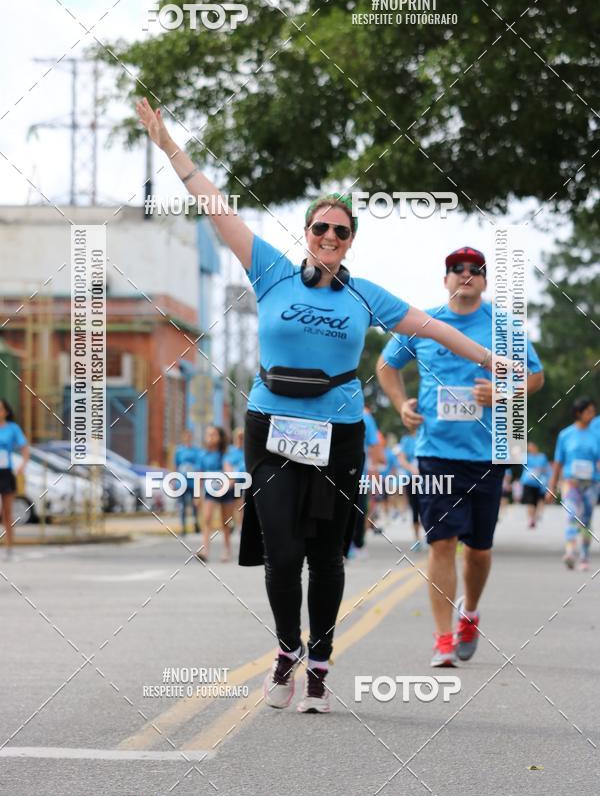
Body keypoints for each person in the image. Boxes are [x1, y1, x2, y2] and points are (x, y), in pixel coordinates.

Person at [136, 98, 510, 714]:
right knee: (282, 551)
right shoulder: (271, 272)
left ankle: (320, 664)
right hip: (271, 425)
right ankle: (287, 648)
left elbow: (435, 329)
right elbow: (215, 206)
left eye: (341, 231)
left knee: (326, 555)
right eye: (320, 229)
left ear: (350, 241)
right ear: (306, 234)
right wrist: (169, 146)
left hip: (338, 432)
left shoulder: (366, 296)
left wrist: (494, 360)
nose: (330, 237)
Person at [377, 246, 544, 667]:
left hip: (488, 453)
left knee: (478, 550)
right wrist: (400, 404)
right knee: (442, 542)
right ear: (445, 278)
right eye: (457, 268)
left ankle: (469, 612)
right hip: (435, 452)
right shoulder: (425, 323)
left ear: (485, 280)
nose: (465, 274)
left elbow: (536, 377)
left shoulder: (504, 326)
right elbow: (385, 365)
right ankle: (443, 638)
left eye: (475, 269)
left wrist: (504, 392)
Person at [547, 397, 600, 571]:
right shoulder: (565, 435)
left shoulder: (596, 435)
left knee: (586, 520)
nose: (592, 415)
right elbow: (558, 462)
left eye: (593, 412)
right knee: (571, 515)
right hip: (571, 482)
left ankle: (584, 556)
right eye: (589, 411)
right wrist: (552, 486)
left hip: (592, 483)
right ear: (579, 413)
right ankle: (570, 552)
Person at [349, 406, 384, 558]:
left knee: (360, 510)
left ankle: (358, 544)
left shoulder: (365, 416)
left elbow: (374, 445)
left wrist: (374, 470)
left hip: (360, 473)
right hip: (333, 471)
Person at [0, 399, 29, 560]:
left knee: (7, 512)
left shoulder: (13, 428)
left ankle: (9, 547)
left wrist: (22, 465)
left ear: (6, 412)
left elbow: (25, 448)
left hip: (6, 473)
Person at [199, 426, 233, 563]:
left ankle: (227, 550)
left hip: (225, 490)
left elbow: (229, 473)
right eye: (208, 434)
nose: (210, 437)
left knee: (225, 522)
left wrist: (227, 486)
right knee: (207, 519)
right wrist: (197, 496)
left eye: (213, 434)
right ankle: (205, 551)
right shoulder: (203, 455)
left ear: (219, 438)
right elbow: (199, 475)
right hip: (210, 491)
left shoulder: (223, 455)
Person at [396, 431, 423, 549]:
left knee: (428, 508)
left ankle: (430, 536)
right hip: (412, 479)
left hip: (428, 479)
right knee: (415, 508)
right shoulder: (407, 440)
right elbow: (402, 459)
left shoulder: (428, 436)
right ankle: (417, 539)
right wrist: (412, 469)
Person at [173, 429, 202, 536]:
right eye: (186, 436)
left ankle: (195, 522)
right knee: (182, 505)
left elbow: (199, 467)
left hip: (193, 482)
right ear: (183, 437)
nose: (187, 438)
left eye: (189, 436)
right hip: (181, 482)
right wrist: (174, 480)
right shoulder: (179, 451)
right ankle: (183, 527)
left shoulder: (196, 451)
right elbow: (176, 466)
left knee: (195, 505)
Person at [520, 442, 550, 528]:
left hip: (538, 483)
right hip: (528, 482)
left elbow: (547, 469)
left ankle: (534, 517)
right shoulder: (526, 457)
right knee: (530, 501)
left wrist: (539, 470)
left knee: (536, 502)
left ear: (536, 447)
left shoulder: (542, 457)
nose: (530, 449)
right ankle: (530, 519)